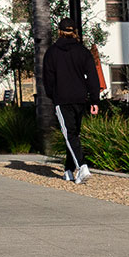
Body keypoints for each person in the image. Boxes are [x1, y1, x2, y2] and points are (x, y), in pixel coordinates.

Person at [41, 18, 101, 184]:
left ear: (59, 31)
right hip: (80, 98)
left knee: (69, 135)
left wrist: (53, 97)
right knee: (73, 134)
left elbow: (48, 79)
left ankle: (82, 167)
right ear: (75, 31)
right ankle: (68, 170)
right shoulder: (83, 52)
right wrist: (94, 100)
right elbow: (92, 77)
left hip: (62, 98)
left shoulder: (52, 52)